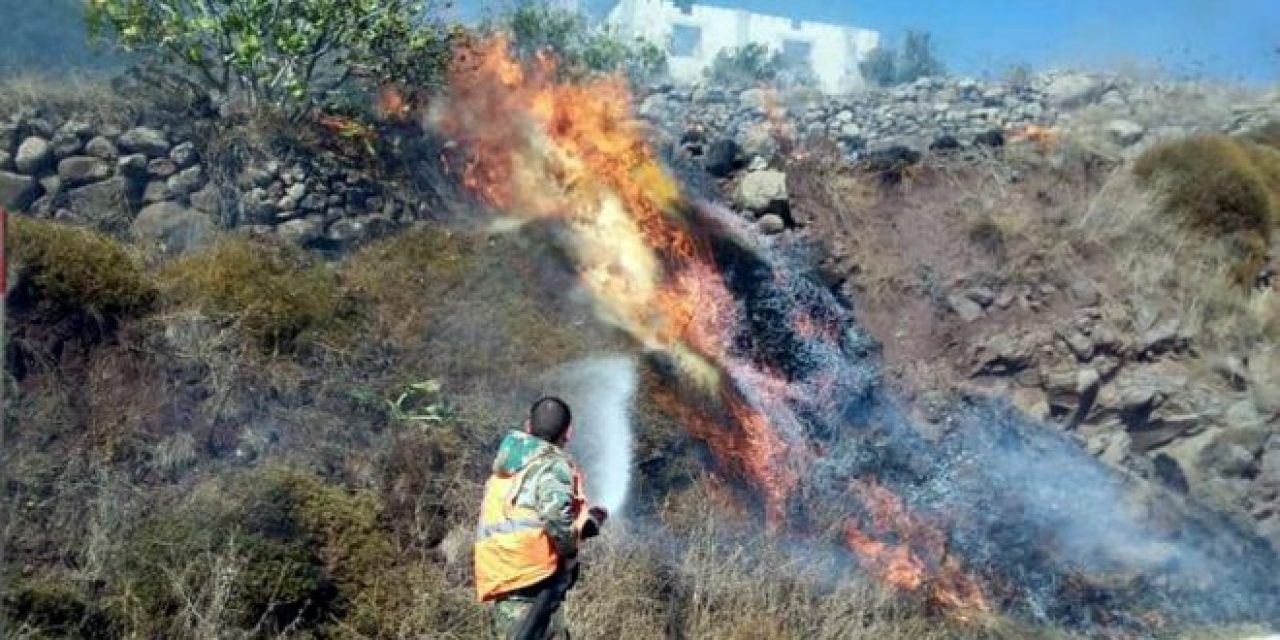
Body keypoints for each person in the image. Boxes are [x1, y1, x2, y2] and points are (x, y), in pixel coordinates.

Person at [474, 397, 608, 640]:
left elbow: (529, 516)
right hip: (534, 583)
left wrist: (583, 525)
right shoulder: (552, 465)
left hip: (507, 580)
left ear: (528, 425)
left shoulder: (508, 468)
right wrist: (570, 554)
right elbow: (555, 516)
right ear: (568, 432)